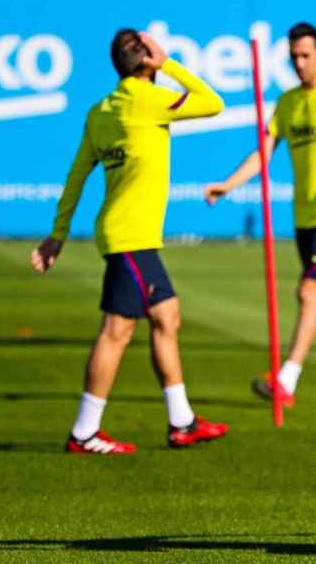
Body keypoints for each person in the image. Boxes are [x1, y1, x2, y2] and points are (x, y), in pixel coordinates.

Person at [31, 29, 229, 454]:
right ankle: (84, 431)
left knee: (167, 316)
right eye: (151, 54)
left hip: (122, 233)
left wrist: (57, 234)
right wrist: (169, 64)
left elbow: (76, 175)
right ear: (145, 61)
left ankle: (182, 421)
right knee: (116, 331)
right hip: (132, 237)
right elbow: (213, 103)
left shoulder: (101, 110)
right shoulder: (147, 100)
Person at [204, 22, 316, 406]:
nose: (300, 63)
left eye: (306, 55)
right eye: (294, 57)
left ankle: (286, 379)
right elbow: (264, 152)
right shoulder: (287, 103)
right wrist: (229, 185)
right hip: (304, 218)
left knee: (308, 292)